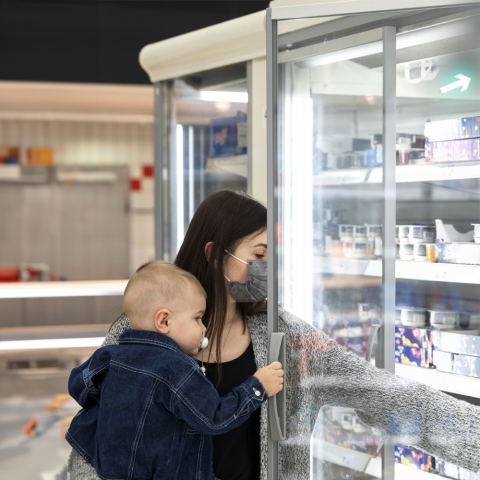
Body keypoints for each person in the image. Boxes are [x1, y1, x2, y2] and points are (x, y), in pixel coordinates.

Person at [65, 190, 480, 480]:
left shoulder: (288, 337)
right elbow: (95, 443)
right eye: (258, 256)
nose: (268, 270)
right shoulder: (137, 336)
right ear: (213, 254)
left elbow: (382, 393)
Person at [65, 261, 283, 480]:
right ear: (164, 320)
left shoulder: (109, 355)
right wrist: (258, 387)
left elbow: (78, 385)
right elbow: (214, 418)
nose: (204, 328)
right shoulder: (178, 369)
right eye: (197, 318)